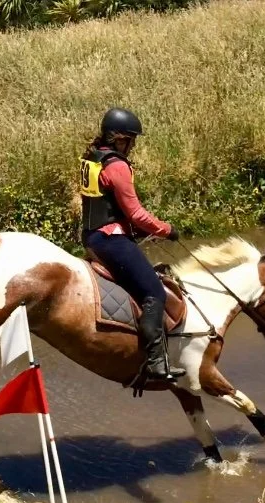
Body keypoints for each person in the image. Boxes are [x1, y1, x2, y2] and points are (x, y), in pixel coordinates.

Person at [80, 107, 186, 382]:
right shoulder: (117, 166)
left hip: (91, 235)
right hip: (111, 239)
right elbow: (136, 214)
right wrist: (166, 230)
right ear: (117, 138)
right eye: (130, 140)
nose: (132, 146)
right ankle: (156, 363)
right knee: (154, 293)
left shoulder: (93, 157)